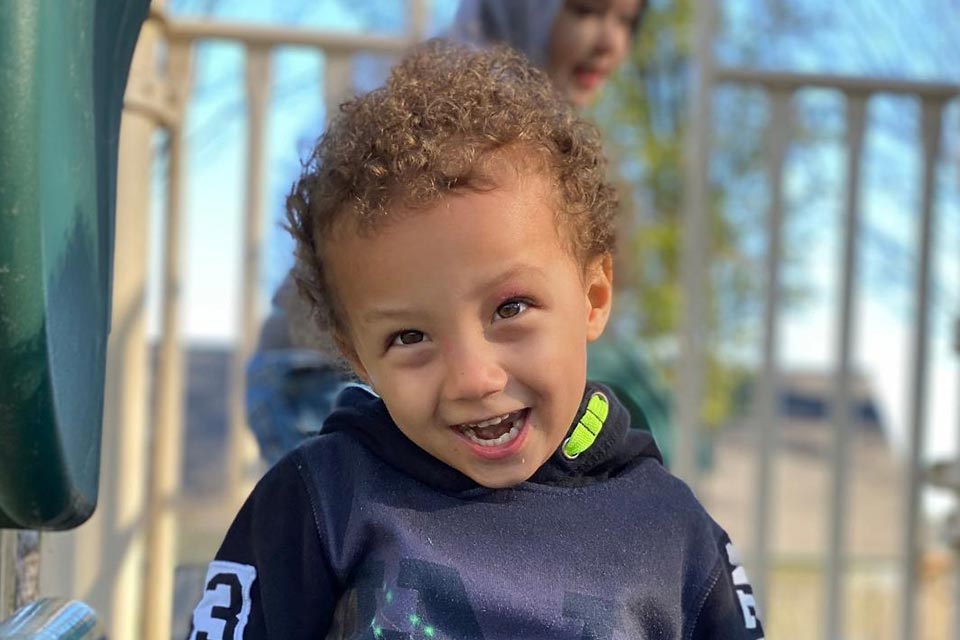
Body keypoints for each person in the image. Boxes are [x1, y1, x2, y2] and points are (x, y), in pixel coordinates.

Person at [189, 41, 762, 639]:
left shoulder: (672, 534)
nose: (473, 378)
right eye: (410, 336)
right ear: (356, 354)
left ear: (593, 297)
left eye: (510, 309)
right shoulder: (318, 506)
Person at [246, 0, 674, 468]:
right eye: (585, 11)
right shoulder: (453, 102)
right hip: (321, 379)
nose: (609, 41)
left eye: (626, 22)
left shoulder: (541, 135)